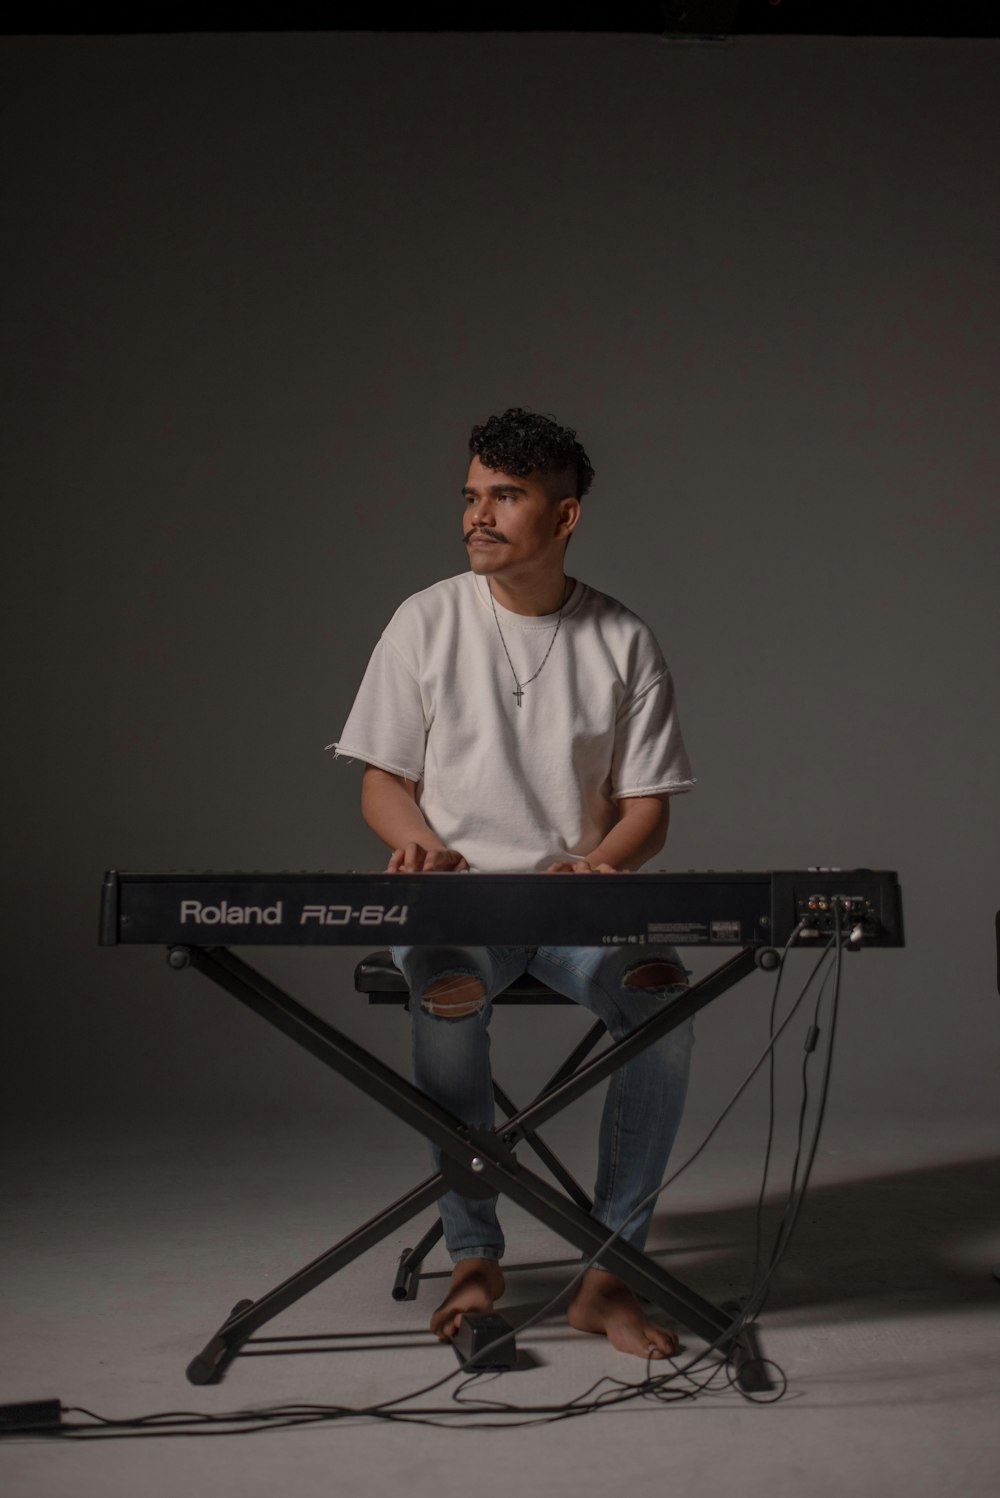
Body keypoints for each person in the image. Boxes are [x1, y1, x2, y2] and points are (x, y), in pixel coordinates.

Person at [332, 407, 696, 1359]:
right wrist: (419, 844)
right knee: (448, 990)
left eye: (506, 496)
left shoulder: (623, 637)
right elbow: (383, 779)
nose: (477, 516)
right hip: (461, 907)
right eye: (471, 496)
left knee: (664, 996)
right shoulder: (425, 618)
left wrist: (603, 863)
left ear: (565, 516)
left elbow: (648, 808)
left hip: (578, 910)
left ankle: (611, 1270)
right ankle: (474, 1256)